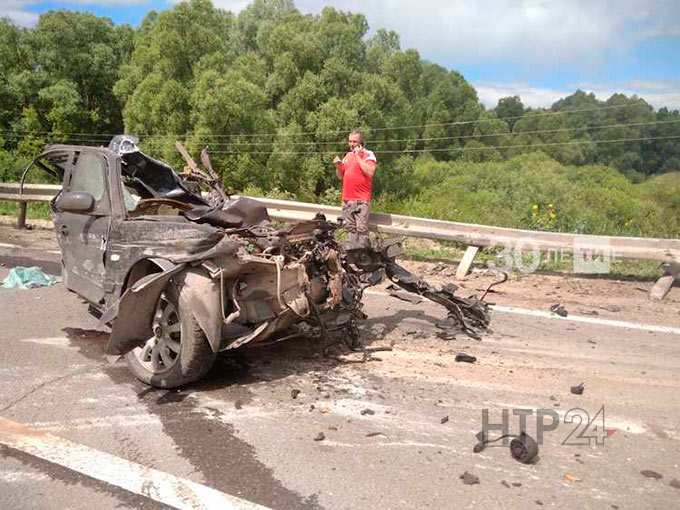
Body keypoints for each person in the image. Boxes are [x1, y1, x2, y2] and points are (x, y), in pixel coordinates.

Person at [333, 130, 377, 248]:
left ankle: (363, 257)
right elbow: (340, 176)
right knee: (350, 230)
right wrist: (338, 167)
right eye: (350, 141)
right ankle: (352, 257)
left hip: (361, 200)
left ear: (361, 142)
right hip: (347, 199)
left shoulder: (368, 154)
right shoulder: (347, 156)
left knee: (361, 231)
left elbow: (370, 172)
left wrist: (358, 156)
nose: (352, 144)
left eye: (354, 141)